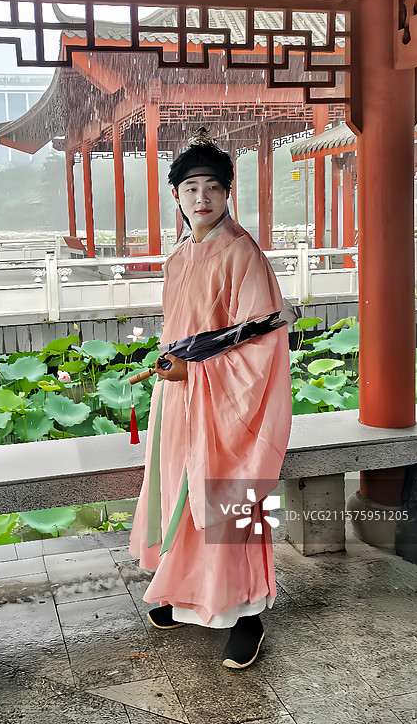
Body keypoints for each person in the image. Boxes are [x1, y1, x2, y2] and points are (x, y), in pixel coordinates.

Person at [128, 128, 292, 669]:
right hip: (181, 397)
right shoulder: (179, 257)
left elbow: (259, 339)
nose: (202, 198)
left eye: (213, 188)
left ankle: (247, 615)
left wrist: (194, 374)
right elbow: (183, 328)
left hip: (226, 401)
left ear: (227, 194)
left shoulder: (241, 252)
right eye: (191, 187)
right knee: (181, 491)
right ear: (175, 195)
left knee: (225, 497)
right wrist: (171, 370)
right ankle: (184, 591)